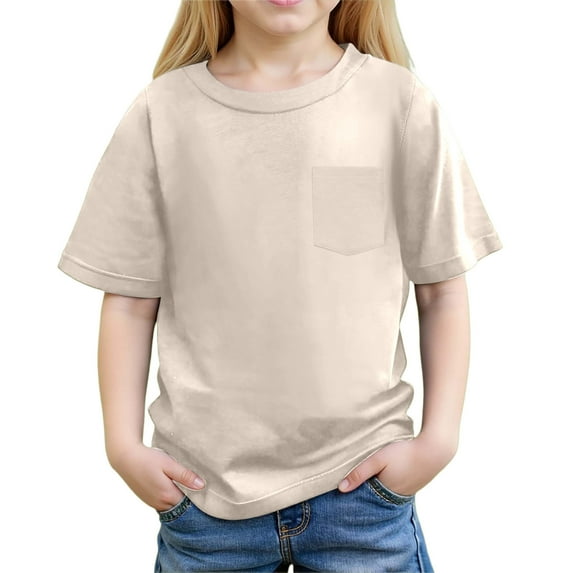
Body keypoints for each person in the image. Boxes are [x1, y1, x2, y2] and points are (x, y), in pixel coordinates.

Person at [56, 0, 503, 571]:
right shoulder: (160, 114)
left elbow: (441, 289)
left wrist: (438, 442)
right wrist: (122, 446)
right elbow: (129, 299)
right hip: (205, 497)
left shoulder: (400, 104)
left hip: (363, 493)